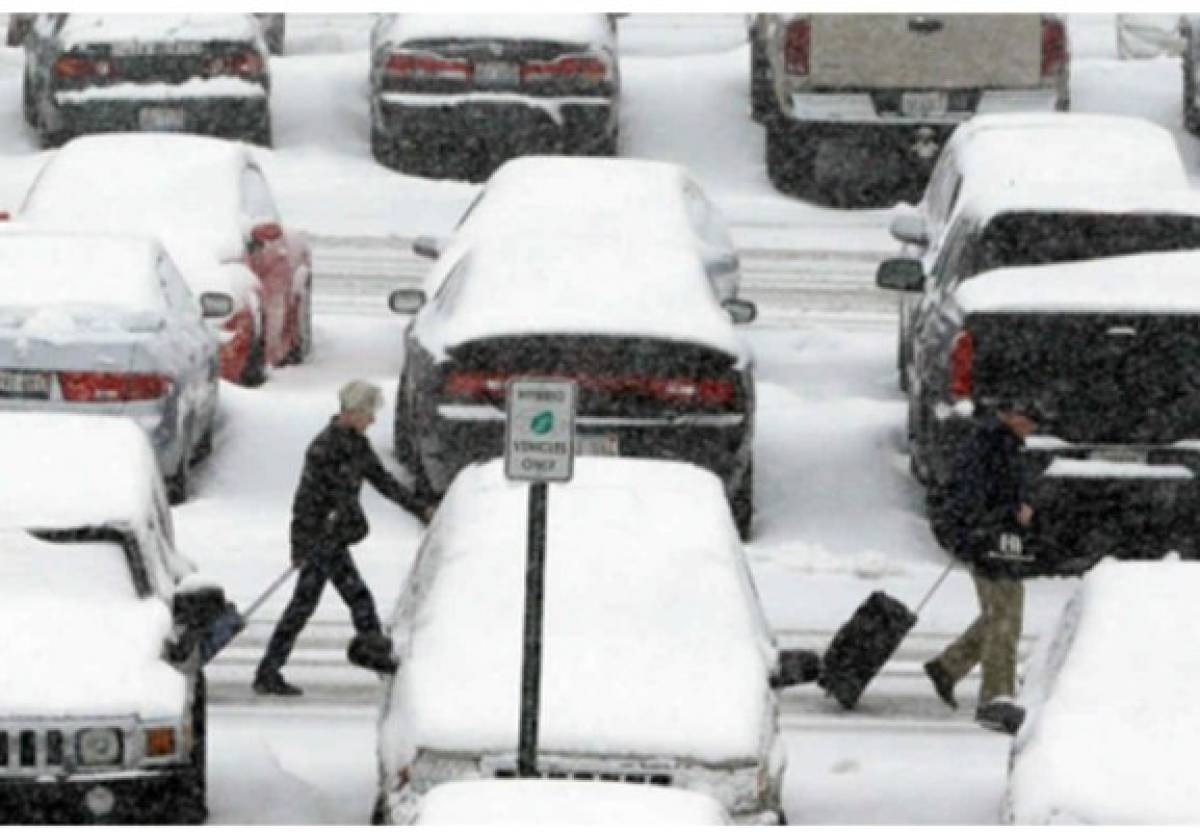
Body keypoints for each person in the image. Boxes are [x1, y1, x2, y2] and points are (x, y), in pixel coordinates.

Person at [254, 380, 432, 696]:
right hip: (320, 540)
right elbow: (304, 500)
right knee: (341, 600)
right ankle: (374, 658)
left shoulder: (356, 446)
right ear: (352, 412)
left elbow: (385, 482)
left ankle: (271, 669)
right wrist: (299, 545)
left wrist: (420, 509)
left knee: (323, 603)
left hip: (333, 539)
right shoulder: (324, 449)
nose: (373, 420)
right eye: (369, 413)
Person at [923, 401, 1040, 735]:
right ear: (1010, 415)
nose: (1032, 426)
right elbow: (980, 497)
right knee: (1005, 618)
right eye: (1029, 418)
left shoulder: (995, 443)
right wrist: (1012, 511)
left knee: (998, 613)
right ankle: (995, 699)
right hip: (990, 542)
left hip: (991, 541)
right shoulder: (992, 446)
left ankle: (949, 667)